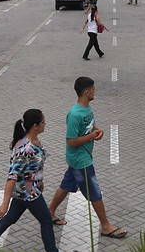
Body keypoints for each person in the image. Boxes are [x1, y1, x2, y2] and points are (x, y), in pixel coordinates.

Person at [0, 109, 73, 252]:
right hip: (28, 193)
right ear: (35, 126)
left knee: (10, 218)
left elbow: (34, 168)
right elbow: (12, 177)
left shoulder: (33, 141)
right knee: (46, 221)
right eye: (44, 122)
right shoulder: (25, 149)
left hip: (29, 190)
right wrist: (4, 203)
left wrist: (40, 182)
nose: (46, 124)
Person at [47, 77, 127, 239]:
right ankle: (105, 226)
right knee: (95, 193)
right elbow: (72, 141)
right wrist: (91, 135)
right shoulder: (74, 114)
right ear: (86, 92)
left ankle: (49, 213)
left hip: (81, 158)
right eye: (93, 89)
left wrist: (97, 130)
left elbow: (88, 126)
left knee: (66, 186)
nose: (95, 92)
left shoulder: (87, 109)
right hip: (80, 160)